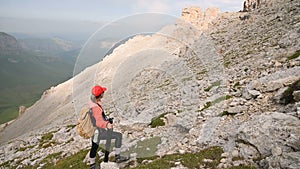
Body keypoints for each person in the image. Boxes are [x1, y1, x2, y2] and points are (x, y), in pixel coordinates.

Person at [89, 85, 129, 169]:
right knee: (118, 136)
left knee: (94, 146)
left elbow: (98, 118)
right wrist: (107, 124)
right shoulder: (96, 107)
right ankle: (117, 157)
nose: (104, 93)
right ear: (100, 95)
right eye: (103, 92)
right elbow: (99, 121)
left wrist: (106, 120)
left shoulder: (93, 103)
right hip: (99, 131)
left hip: (95, 131)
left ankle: (92, 164)